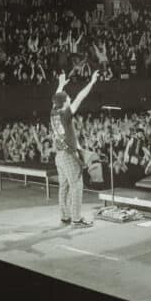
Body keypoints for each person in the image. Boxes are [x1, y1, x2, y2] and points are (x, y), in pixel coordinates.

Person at [52, 70, 100, 227]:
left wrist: (60, 85)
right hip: (68, 155)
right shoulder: (66, 114)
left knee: (64, 186)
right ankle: (77, 219)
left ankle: (65, 216)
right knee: (76, 185)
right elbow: (80, 96)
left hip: (59, 155)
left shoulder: (53, 112)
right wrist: (92, 82)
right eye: (68, 98)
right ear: (65, 102)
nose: (70, 99)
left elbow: (56, 97)